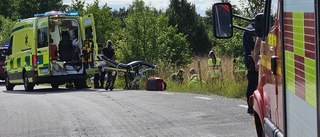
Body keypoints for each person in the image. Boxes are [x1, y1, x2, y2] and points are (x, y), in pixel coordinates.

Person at [242, 22, 259, 114]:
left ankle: (253, 106)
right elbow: (253, 50)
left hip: (252, 60)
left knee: (255, 83)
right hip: (252, 60)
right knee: (253, 83)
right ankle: (251, 106)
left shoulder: (251, 29)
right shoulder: (251, 31)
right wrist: (256, 62)